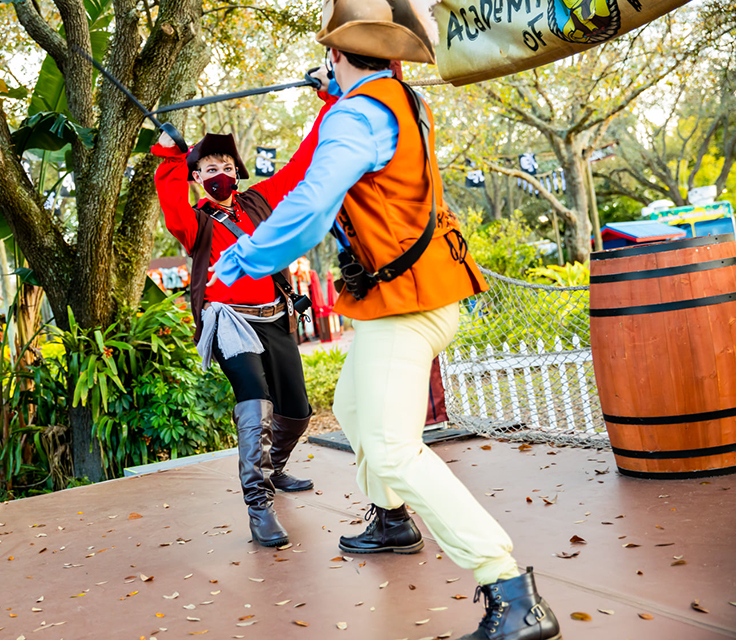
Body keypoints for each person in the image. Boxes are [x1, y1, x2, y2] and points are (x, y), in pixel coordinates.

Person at [208, 2, 562, 638]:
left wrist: (245, 257)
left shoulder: (356, 114)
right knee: (351, 405)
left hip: (408, 305)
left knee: (394, 448)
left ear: (337, 53)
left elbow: (313, 206)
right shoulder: (393, 98)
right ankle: (392, 521)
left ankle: (509, 592)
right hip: (415, 294)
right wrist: (334, 95)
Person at [151, 83, 337, 548]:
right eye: (210, 169)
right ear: (197, 177)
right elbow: (170, 203)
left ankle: (274, 469)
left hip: (274, 316)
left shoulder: (259, 201)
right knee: (255, 402)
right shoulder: (195, 222)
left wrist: (331, 101)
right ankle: (259, 506)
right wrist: (170, 156)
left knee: (297, 411)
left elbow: (301, 164)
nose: (221, 174)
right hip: (228, 322)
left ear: (238, 172)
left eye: (228, 167)